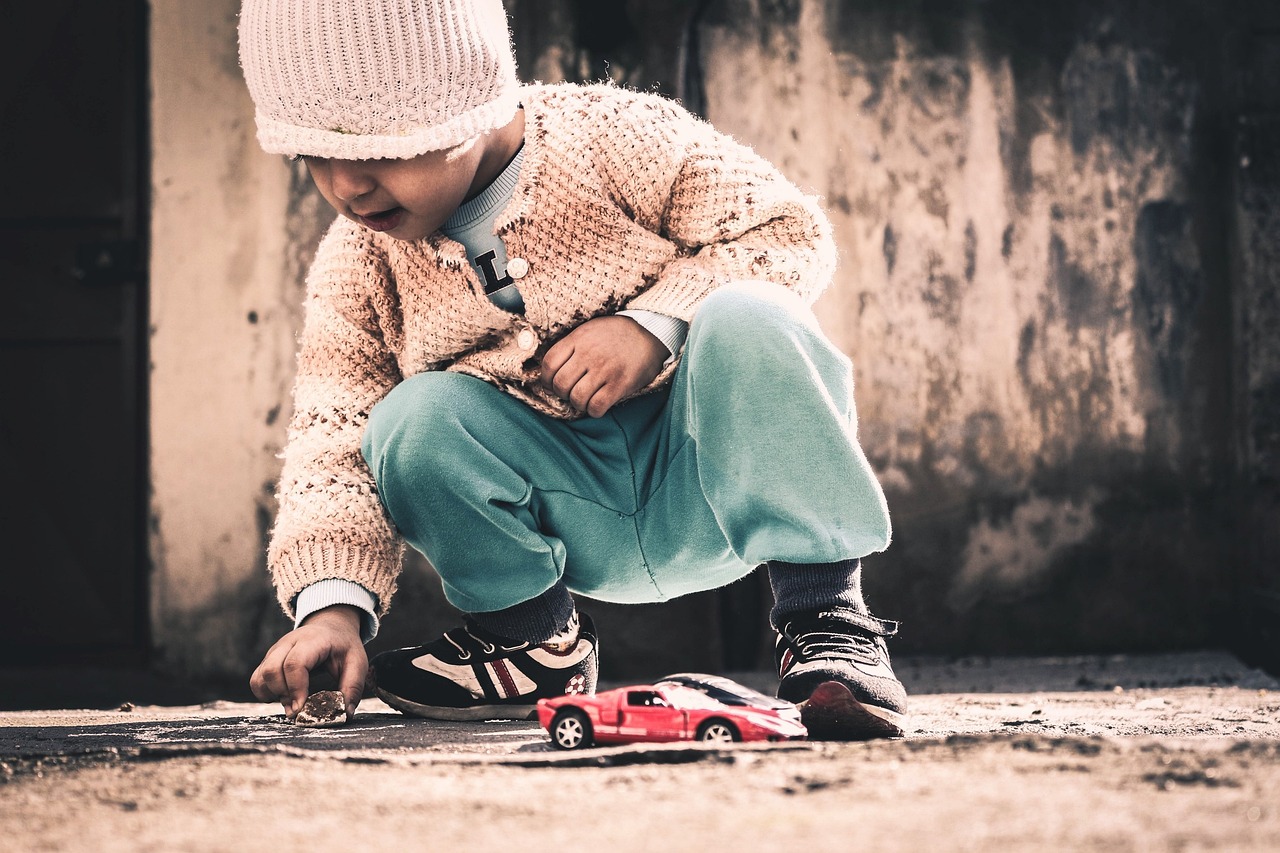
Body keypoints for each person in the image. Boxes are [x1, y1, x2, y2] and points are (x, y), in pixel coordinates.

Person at [240, 0, 906, 739]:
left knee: (751, 313)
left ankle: (828, 621)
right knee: (407, 419)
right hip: (567, 511)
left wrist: (652, 325)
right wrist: (331, 605)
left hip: (708, 479)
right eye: (314, 157)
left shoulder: (615, 138)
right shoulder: (358, 262)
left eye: (381, 152)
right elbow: (333, 436)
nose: (347, 187)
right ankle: (533, 645)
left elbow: (788, 231)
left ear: (480, 101)